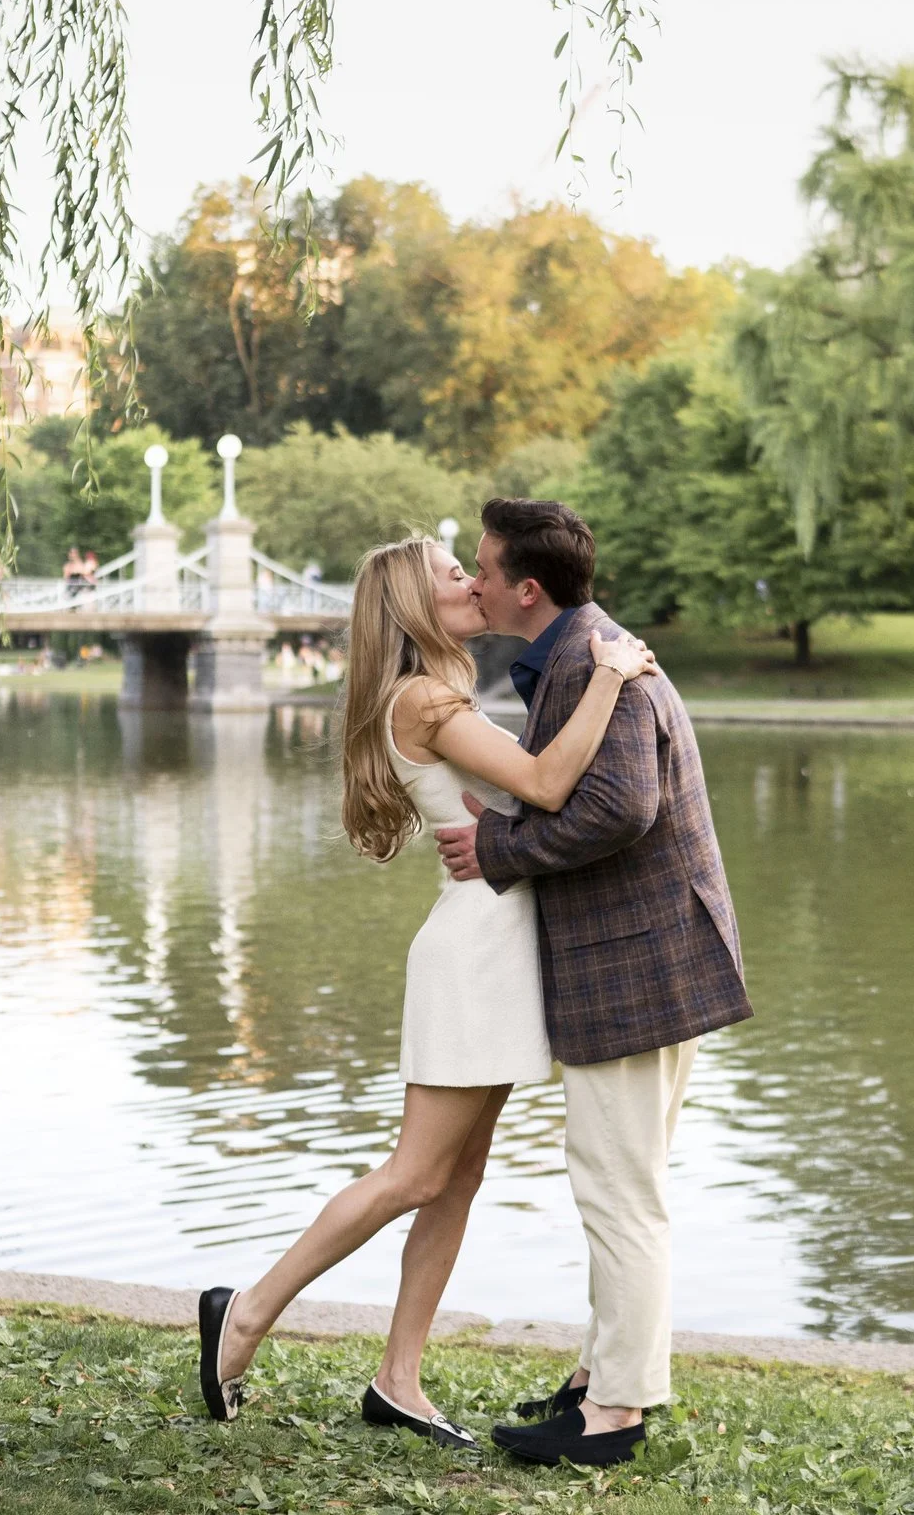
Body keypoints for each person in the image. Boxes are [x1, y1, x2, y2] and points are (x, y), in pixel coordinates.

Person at [198, 533, 660, 1451]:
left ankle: (398, 1379)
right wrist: (611, 674)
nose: (474, 582)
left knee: (459, 1177)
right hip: (473, 954)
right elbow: (544, 780)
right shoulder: (424, 697)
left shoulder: (435, 693)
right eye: (456, 573)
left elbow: (525, 798)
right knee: (417, 1171)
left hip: (497, 945)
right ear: (416, 601)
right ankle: (243, 1315)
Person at [432, 498, 752, 1469]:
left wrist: (499, 846)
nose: (472, 581)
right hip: (652, 956)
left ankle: (613, 1411)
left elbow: (619, 808)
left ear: (525, 589)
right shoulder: (584, 649)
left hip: (637, 965)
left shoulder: (584, 659)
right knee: (625, 1184)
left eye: (482, 568)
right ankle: (598, 1377)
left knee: (618, 1193)